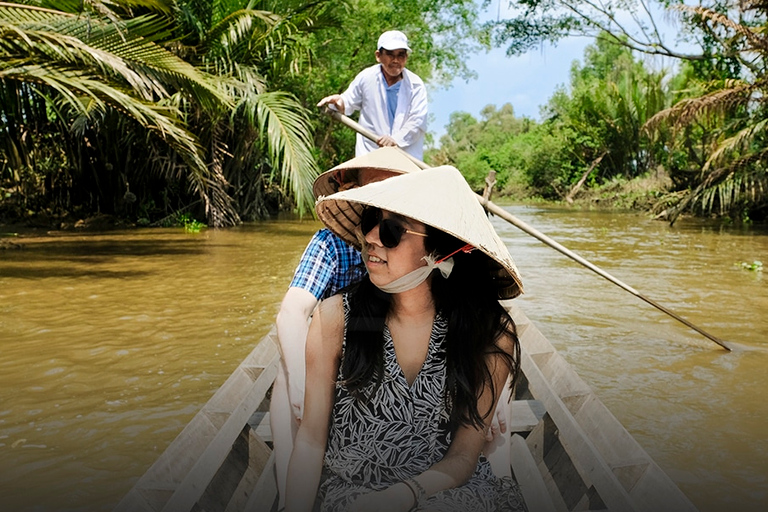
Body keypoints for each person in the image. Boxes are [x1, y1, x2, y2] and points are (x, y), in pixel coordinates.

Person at [285, 166, 526, 512]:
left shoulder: (490, 334)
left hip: (446, 489)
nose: (370, 237)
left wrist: (405, 494)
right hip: (353, 493)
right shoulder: (334, 319)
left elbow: (463, 455)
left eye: (392, 230)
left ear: (440, 252)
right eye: (370, 220)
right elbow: (310, 441)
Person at [270, 147, 423, 509]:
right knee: (284, 374)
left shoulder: (419, 242)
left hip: (401, 361)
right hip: (346, 363)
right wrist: (299, 386)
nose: (376, 235)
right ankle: (290, 489)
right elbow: (291, 313)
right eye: (372, 201)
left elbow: (478, 320)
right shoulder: (332, 244)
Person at [317, 30, 428, 159]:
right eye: (390, 54)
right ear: (378, 56)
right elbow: (348, 101)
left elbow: (417, 122)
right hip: (370, 154)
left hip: (404, 157)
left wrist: (395, 140)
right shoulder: (366, 78)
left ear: (406, 57)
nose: (396, 60)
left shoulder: (416, 85)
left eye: (401, 55)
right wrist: (339, 102)